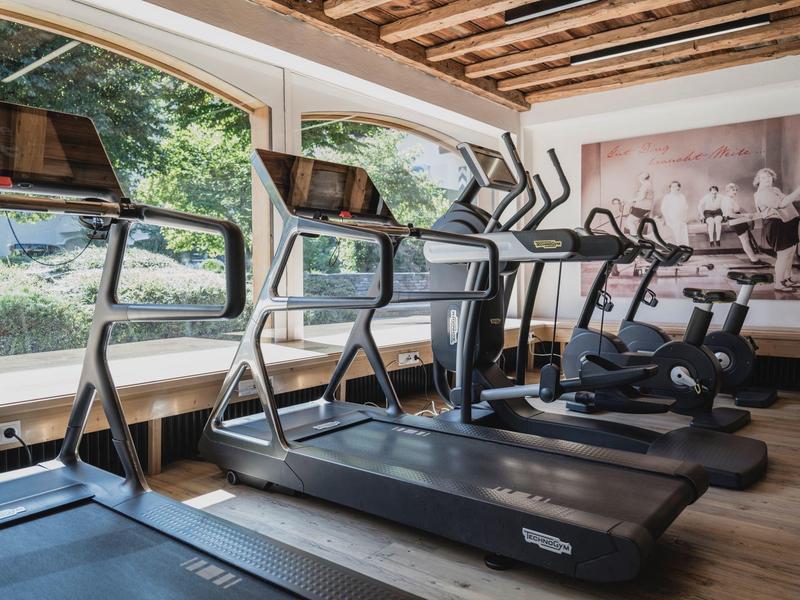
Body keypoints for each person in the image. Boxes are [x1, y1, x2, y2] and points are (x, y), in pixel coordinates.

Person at [753, 167, 800, 293]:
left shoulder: (774, 190)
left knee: (790, 252)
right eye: (763, 177)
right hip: (776, 224)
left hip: (786, 223)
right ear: (758, 180)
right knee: (783, 255)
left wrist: (796, 194)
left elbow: (790, 200)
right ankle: (779, 283)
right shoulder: (762, 193)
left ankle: (786, 278)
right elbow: (781, 204)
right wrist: (798, 190)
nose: (767, 179)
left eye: (769, 176)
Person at [721, 182, 768, 266]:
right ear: (727, 191)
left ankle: (754, 259)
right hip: (736, 221)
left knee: (746, 241)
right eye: (733, 190)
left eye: (736, 190)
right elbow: (730, 214)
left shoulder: (729, 199)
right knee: (745, 241)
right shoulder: (727, 200)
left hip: (738, 221)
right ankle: (754, 260)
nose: (735, 192)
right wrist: (745, 215)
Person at [659, 181, 689, 246]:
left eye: (676, 186)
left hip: (681, 218)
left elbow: (685, 208)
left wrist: (685, 217)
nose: (675, 188)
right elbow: (663, 209)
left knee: (683, 234)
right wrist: (667, 218)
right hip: (671, 219)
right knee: (675, 234)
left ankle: (683, 249)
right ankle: (675, 250)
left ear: (679, 187)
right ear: (670, 188)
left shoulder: (682, 196)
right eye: (673, 186)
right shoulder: (667, 197)